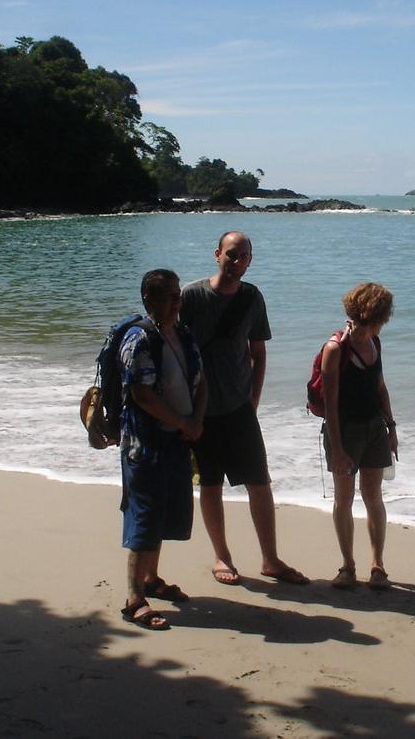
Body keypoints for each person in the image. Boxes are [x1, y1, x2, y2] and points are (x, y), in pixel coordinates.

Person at [180, 231, 308, 586]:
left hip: (239, 407)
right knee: (210, 484)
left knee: (259, 482)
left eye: (245, 257)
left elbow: (259, 353)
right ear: (217, 253)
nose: (238, 262)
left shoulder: (252, 297)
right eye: (232, 254)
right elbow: (175, 349)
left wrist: (253, 400)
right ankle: (222, 557)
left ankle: (270, 559)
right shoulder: (191, 296)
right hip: (200, 409)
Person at [119, 269, 207, 631]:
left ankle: (151, 579)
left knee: (165, 512)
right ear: (148, 299)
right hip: (144, 444)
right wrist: (184, 423)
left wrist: (196, 421)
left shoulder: (183, 334)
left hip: (177, 439)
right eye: (169, 296)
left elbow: (202, 382)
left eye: (178, 295)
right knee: (145, 517)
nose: (177, 302)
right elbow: (142, 394)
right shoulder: (138, 339)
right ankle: (133, 598)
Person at [321, 282, 398, 590]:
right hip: (345, 430)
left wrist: (392, 428)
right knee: (344, 499)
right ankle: (347, 566)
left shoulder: (375, 342)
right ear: (374, 314)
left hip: (375, 428)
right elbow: (330, 406)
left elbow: (380, 388)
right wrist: (338, 449)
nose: (385, 321)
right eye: (384, 315)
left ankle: (378, 565)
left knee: (373, 496)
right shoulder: (335, 349)